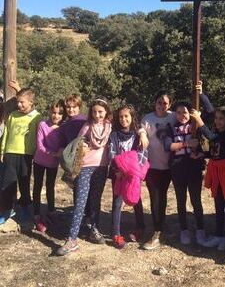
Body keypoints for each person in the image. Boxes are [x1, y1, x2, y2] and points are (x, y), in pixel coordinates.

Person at [56, 97, 112, 256]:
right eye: (94, 111)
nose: (97, 115)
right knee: (80, 202)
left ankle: (93, 229)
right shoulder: (87, 125)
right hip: (85, 167)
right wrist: (83, 146)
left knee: (95, 201)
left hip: (101, 168)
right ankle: (72, 238)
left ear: (106, 112)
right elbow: (77, 143)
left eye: (100, 112)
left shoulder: (110, 127)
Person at [191, 106, 225, 251]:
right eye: (216, 118)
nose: (217, 121)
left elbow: (213, 138)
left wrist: (199, 120)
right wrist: (202, 155)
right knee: (218, 203)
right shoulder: (218, 133)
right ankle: (218, 235)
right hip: (216, 171)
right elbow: (214, 151)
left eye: (221, 118)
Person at [164, 101, 206, 246]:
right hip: (178, 169)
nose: (182, 115)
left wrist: (199, 153)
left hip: (194, 168)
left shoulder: (197, 127)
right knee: (180, 201)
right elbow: (168, 146)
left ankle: (200, 229)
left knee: (196, 200)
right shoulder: (171, 128)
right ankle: (184, 230)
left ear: (191, 113)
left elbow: (206, 146)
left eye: (185, 112)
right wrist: (187, 144)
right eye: (179, 112)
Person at [109, 104, 149, 249]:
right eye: (121, 116)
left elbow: (143, 153)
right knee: (117, 202)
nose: (123, 119)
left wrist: (135, 172)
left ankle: (140, 227)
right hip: (118, 174)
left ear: (132, 118)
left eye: (126, 116)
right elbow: (112, 153)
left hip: (132, 175)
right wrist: (117, 169)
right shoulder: (114, 135)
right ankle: (116, 233)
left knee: (136, 199)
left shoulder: (137, 135)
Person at [0, 88, 42, 225]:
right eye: (18, 102)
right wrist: (2, 151)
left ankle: (24, 208)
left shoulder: (37, 116)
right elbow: (6, 133)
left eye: (22, 102)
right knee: (8, 183)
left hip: (26, 155)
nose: (19, 105)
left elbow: (39, 136)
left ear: (31, 102)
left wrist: (37, 153)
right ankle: (7, 209)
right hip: (10, 153)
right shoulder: (13, 115)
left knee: (24, 183)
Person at [141, 91, 176, 250]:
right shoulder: (148, 119)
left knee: (162, 195)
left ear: (170, 105)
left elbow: (187, 120)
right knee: (155, 197)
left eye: (165, 103)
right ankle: (156, 232)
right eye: (159, 102)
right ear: (154, 103)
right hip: (151, 166)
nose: (162, 106)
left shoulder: (173, 116)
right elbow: (140, 130)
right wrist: (141, 133)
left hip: (169, 166)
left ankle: (161, 225)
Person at [33, 99, 66, 232]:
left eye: (59, 113)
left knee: (50, 186)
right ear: (50, 112)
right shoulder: (42, 125)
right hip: (39, 161)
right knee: (37, 186)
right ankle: (36, 214)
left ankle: (51, 211)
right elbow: (40, 145)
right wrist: (53, 153)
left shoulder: (63, 128)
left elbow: (65, 143)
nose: (56, 115)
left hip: (53, 164)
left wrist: (62, 151)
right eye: (53, 112)